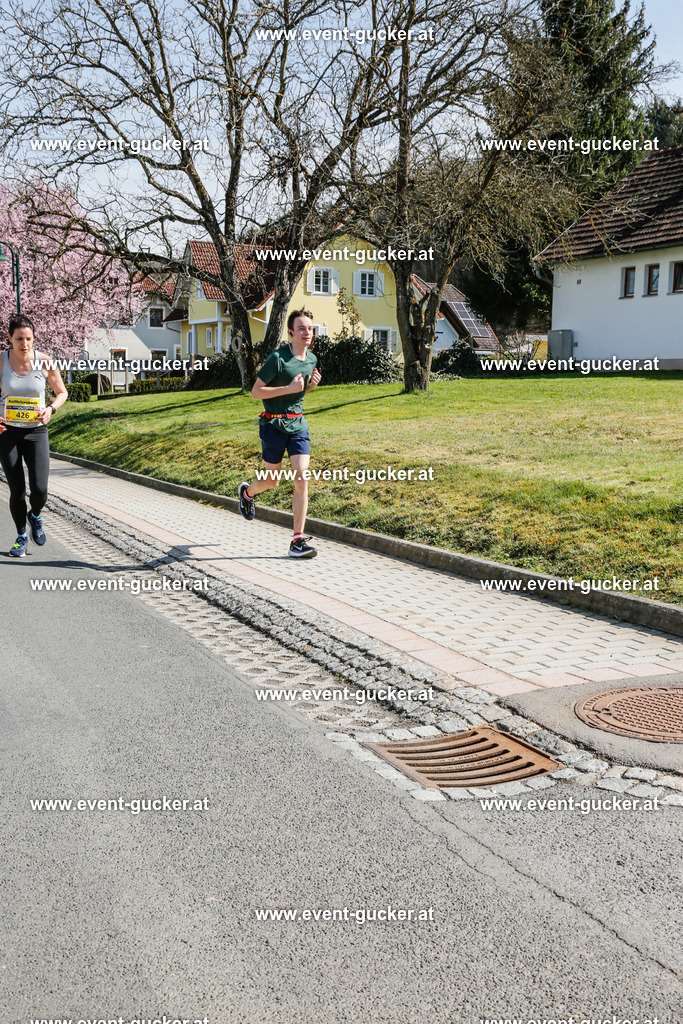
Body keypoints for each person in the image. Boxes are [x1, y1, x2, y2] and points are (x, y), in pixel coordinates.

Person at [238, 308, 322, 558]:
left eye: (310, 328)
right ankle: (247, 493)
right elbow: (256, 392)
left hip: (298, 425)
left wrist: (309, 388)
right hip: (273, 425)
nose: (307, 333)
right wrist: (289, 387)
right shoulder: (278, 358)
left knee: (301, 478)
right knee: (272, 481)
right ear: (290, 332)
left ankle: (297, 541)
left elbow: (297, 394)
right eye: (302, 328)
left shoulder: (312, 360)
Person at [0, 313, 68, 556]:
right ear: (9, 338)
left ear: (34, 338)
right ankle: (20, 536)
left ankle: (35, 515)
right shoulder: (1, 361)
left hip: (36, 431)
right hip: (7, 432)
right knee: (16, 489)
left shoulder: (45, 361)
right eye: (19, 339)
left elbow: (62, 392)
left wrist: (51, 409)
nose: (25, 344)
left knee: (39, 488)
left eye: (29, 338)